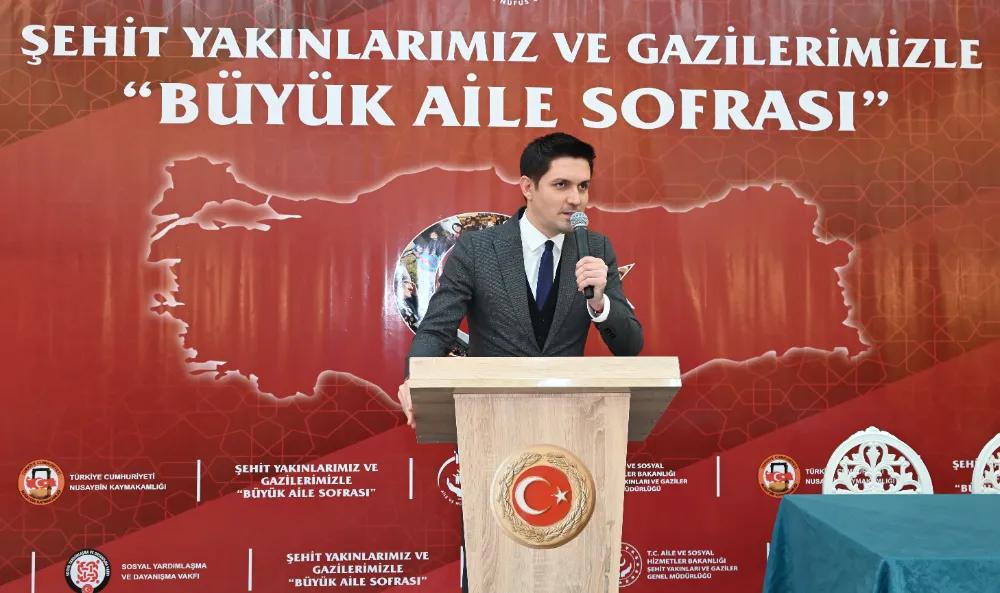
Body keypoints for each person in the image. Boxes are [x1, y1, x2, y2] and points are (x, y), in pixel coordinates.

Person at [397, 132, 643, 591]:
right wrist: (417, 378)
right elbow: (437, 328)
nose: (575, 199)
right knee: (493, 555)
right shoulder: (478, 250)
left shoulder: (596, 250)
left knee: (573, 556)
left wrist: (600, 302)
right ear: (528, 186)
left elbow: (629, 346)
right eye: (561, 185)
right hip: (492, 426)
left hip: (575, 430)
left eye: (583, 186)